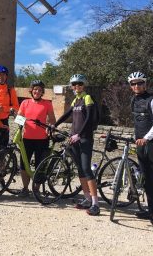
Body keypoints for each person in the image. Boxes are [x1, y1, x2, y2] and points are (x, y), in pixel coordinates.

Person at [54, 74, 100, 216]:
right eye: (74, 84)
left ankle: (95, 204)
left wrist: (79, 134)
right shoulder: (76, 100)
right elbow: (66, 114)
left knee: (87, 169)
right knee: (80, 169)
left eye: (79, 84)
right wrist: (54, 125)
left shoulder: (87, 98)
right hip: (74, 139)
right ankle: (86, 199)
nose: (76, 86)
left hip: (84, 138)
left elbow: (89, 120)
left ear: (84, 85)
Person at [128, 71, 153, 227]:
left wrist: (146, 138)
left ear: (145, 84)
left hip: (152, 144)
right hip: (140, 144)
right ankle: (149, 210)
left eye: (140, 83)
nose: (137, 86)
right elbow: (137, 123)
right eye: (133, 84)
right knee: (145, 178)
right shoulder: (134, 101)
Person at [17, 80, 55, 197]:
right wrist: (20, 123)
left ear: (42, 92)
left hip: (42, 139)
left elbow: (52, 119)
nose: (37, 92)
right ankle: (25, 188)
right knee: (24, 164)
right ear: (31, 91)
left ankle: (36, 189)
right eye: (35, 89)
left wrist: (51, 126)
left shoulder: (47, 104)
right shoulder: (25, 103)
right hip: (27, 138)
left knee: (40, 165)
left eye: (39, 90)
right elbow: (20, 117)